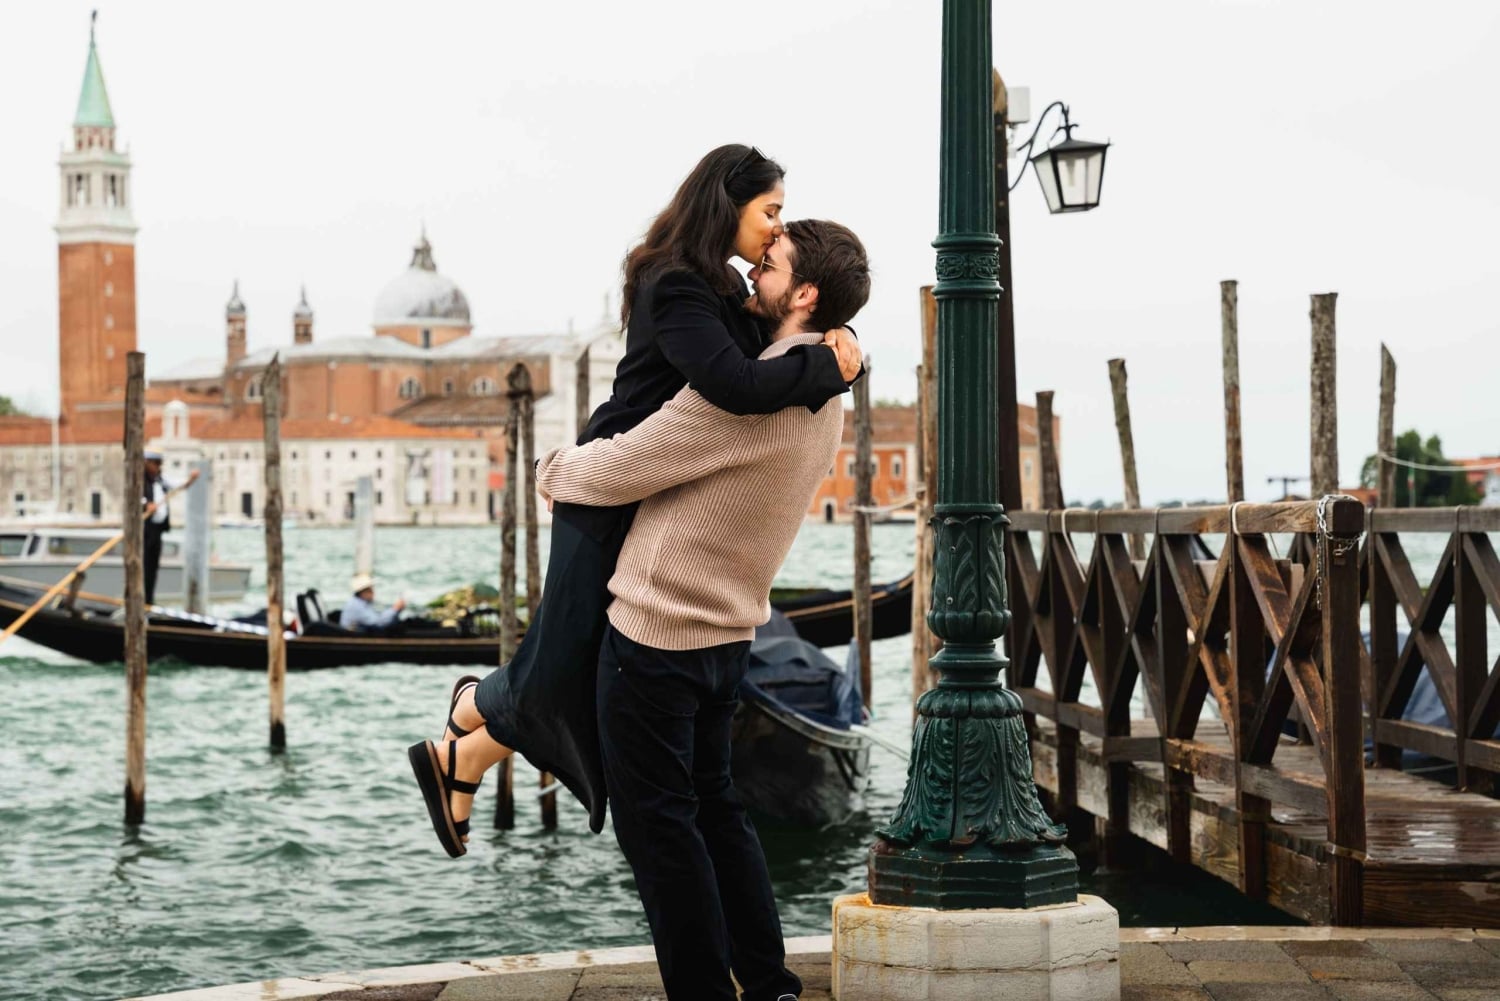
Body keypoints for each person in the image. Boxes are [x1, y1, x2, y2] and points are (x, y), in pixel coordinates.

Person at [414, 219, 871, 1001]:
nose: (753, 271)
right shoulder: (824, 385)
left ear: (803, 294)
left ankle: (477, 719)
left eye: (771, 266)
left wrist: (549, 466)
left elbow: (624, 465)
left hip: (657, 634)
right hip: (728, 634)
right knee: (718, 814)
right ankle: (768, 985)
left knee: (660, 833)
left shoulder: (746, 394)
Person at [142, 450, 199, 605]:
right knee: (143, 566)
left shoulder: (160, 479)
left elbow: (179, 485)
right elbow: (135, 496)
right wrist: (146, 504)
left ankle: (149, 601)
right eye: (156, 464)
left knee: (152, 567)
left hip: (157, 529)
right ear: (147, 463)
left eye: (159, 464)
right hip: (144, 530)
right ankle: (141, 600)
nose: (158, 467)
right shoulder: (139, 480)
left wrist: (191, 479)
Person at [340, 574, 407, 635]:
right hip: (353, 635)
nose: (373, 593)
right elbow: (378, 622)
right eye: (371, 591)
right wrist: (395, 609)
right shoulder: (356, 605)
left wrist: (395, 610)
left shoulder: (359, 602)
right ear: (363, 592)